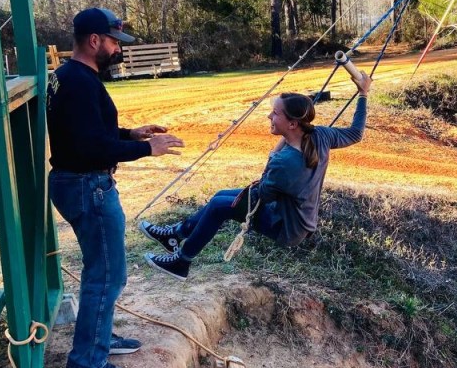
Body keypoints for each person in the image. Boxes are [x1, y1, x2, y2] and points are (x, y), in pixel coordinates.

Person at [47, 7, 183, 368]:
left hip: (77, 181)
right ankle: (86, 363)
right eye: (113, 42)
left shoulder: (68, 76)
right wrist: (147, 148)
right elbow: (92, 148)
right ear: (94, 41)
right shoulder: (80, 83)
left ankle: (100, 337)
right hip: (88, 185)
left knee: (101, 269)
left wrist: (130, 134)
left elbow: (85, 132)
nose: (118, 49)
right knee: (107, 274)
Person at [140, 71, 372, 280]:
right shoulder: (320, 135)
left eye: (275, 113)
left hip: (287, 227)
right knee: (221, 196)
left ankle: (182, 262)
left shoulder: (285, 161)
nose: (269, 116)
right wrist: (363, 94)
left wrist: (274, 154)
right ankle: (175, 235)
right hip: (298, 217)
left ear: (292, 124)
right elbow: (355, 133)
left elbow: (263, 195)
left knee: (220, 206)